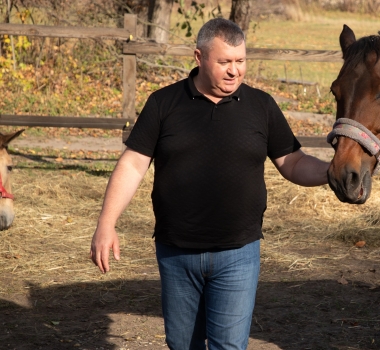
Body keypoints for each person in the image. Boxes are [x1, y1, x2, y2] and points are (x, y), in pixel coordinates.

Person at [90, 18, 329, 350]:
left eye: (240, 61)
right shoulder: (164, 104)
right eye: (225, 62)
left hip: (238, 254)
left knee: (228, 347)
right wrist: (106, 223)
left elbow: (294, 162)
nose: (234, 71)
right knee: (182, 345)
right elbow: (133, 164)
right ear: (199, 57)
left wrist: (334, 173)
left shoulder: (262, 106)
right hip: (176, 253)